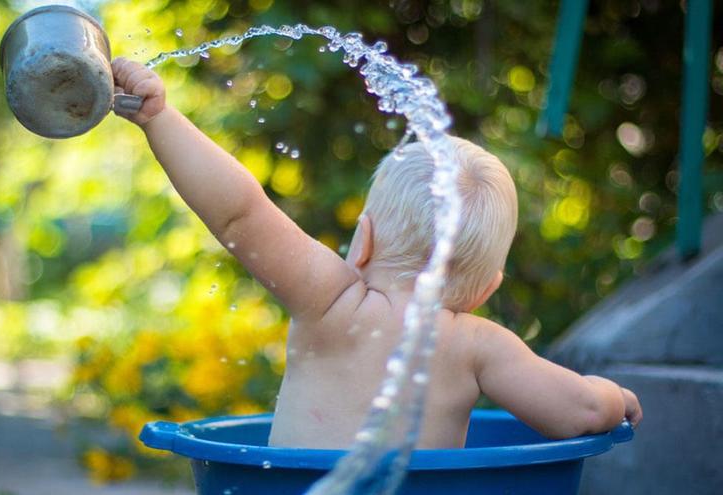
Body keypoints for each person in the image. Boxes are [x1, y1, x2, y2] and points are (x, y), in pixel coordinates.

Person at [110, 58, 643, 449]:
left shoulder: (331, 303)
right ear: (487, 288)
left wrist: (159, 116)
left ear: (361, 240)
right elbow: (580, 412)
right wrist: (615, 397)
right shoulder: (479, 346)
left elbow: (240, 214)